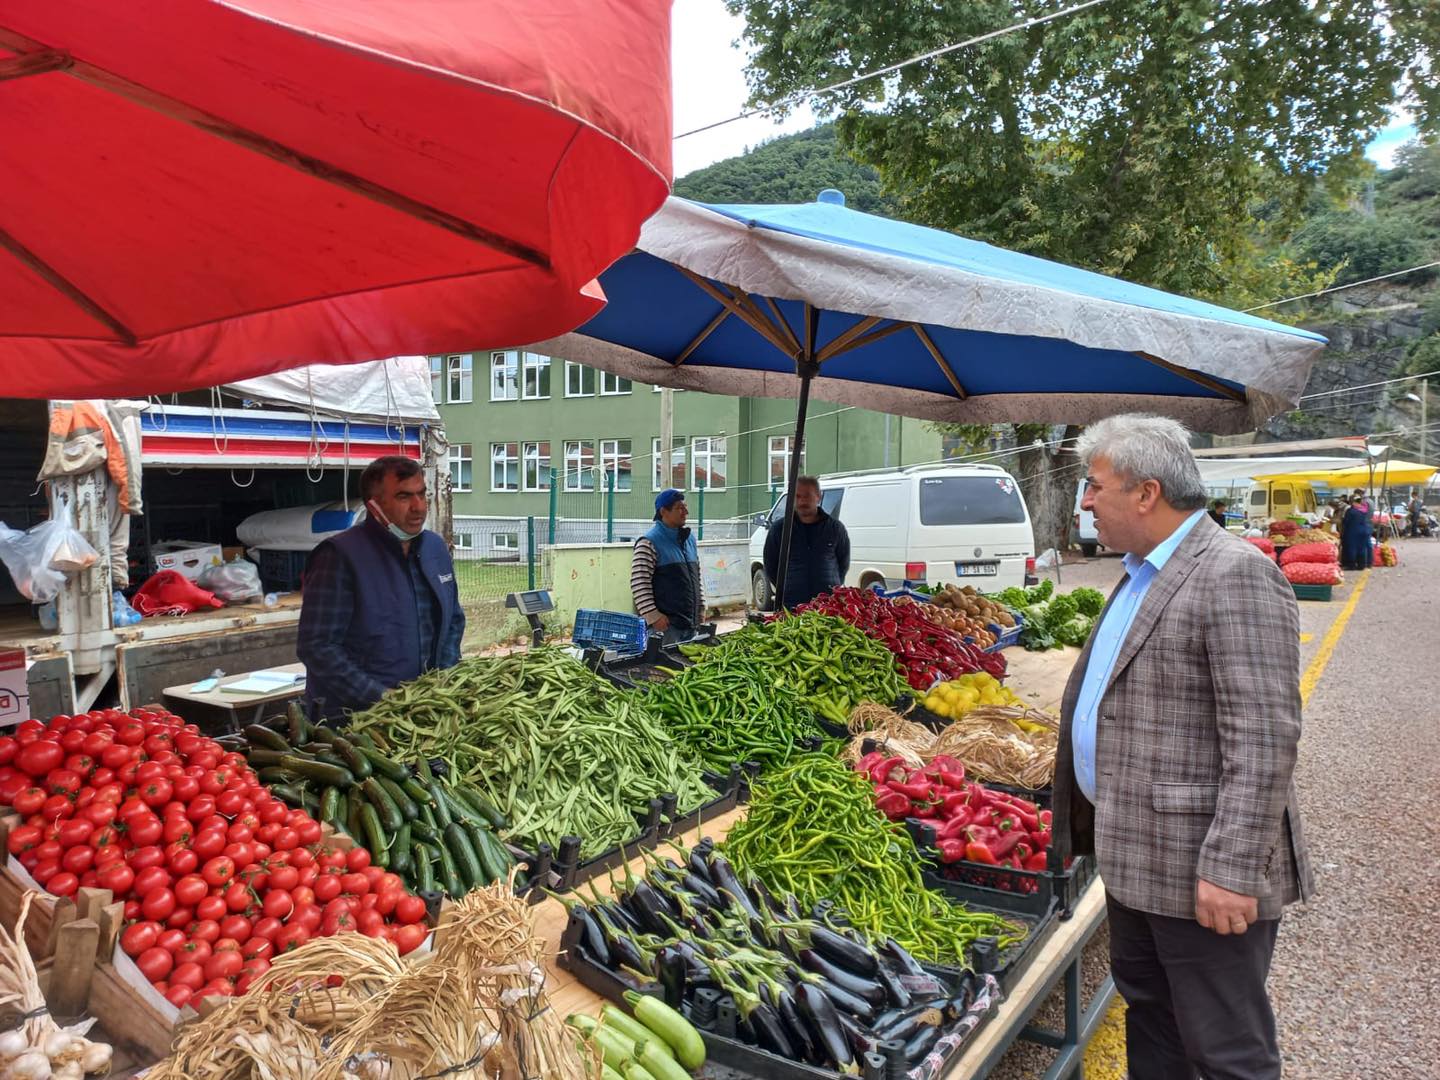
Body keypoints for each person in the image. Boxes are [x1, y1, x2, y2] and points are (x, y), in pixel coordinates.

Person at [1057, 414, 1312, 1080]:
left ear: (1146, 492)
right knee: (1154, 1021)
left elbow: (1265, 736)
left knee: (1225, 1050)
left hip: (1202, 871)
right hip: (1137, 860)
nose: (1085, 501)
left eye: (1094, 485)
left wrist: (1230, 867)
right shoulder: (1139, 572)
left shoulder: (1234, 575)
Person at [297, 455, 464, 721]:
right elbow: (317, 648)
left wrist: (444, 680)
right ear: (374, 505)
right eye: (404, 497)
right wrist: (385, 700)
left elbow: (453, 620)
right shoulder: (339, 556)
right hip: (355, 722)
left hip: (424, 712)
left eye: (423, 494)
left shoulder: (435, 548)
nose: (419, 507)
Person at [762, 476, 851, 608]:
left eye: (807, 496)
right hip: (791, 605)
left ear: (818, 497)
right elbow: (770, 564)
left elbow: (843, 563)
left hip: (828, 606)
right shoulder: (780, 529)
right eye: (797, 496)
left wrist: (832, 585)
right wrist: (788, 586)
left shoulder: (835, 528)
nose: (802, 501)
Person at [631, 488, 703, 635]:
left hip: (690, 623)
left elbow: (697, 576)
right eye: (679, 508)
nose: (685, 512)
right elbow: (639, 583)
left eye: (685, 507)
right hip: (666, 627)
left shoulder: (689, 539)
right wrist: (653, 616)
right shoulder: (649, 542)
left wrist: (701, 606)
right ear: (663, 512)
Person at [1340, 491, 1373, 570]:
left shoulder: (1351, 511)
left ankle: (1351, 565)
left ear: (1353, 502)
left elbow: (1346, 522)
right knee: (1362, 548)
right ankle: (1362, 565)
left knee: (1352, 548)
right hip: (1364, 530)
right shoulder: (1364, 509)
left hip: (1353, 531)